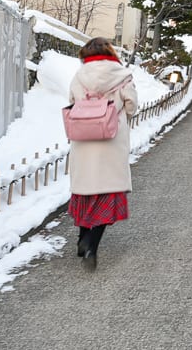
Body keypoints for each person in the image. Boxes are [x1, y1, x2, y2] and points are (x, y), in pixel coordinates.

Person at [67, 37, 138, 271]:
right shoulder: (122, 76)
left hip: (84, 139)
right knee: (107, 194)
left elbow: (71, 102)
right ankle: (91, 245)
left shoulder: (80, 76)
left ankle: (81, 238)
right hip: (110, 140)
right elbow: (132, 106)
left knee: (86, 191)